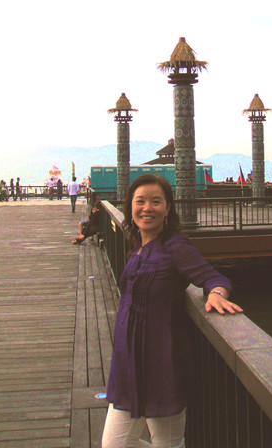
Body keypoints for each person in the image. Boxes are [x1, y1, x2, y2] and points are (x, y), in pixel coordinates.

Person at [102, 174, 243, 448]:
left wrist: (216, 294)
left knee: (167, 443)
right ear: (130, 206)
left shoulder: (176, 246)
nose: (147, 208)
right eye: (140, 201)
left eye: (156, 202)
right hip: (128, 364)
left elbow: (214, 278)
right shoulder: (138, 244)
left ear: (168, 208)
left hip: (162, 366)